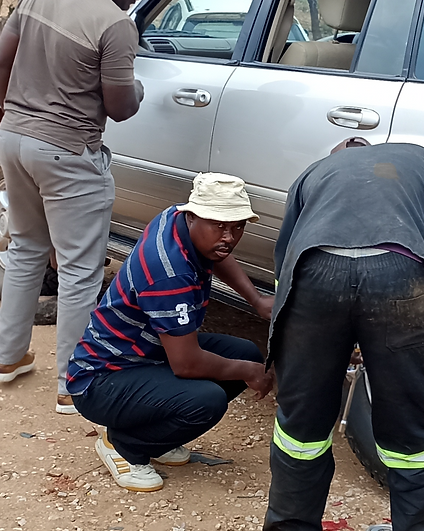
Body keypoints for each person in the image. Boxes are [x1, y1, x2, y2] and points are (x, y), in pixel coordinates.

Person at [0, 0, 150, 415]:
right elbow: (120, 107)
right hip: (67, 151)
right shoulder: (116, 25)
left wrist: (17, 115)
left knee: (26, 248)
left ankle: (8, 358)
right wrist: (137, 86)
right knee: (80, 268)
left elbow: (0, 61)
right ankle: (71, 382)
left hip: (14, 138)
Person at [264, 139, 424, 531]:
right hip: (401, 272)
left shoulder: (313, 173)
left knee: (300, 428)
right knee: (415, 436)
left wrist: (308, 337)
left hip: (314, 274)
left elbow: (284, 265)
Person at [67, 173, 275, 492]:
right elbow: (187, 365)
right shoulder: (169, 274)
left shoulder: (176, 218)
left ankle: (156, 437)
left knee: (243, 353)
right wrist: (250, 372)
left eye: (237, 226)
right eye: (219, 225)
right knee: (208, 399)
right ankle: (123, 444)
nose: (230, 237)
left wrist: (257, 300)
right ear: (193, 217)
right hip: (100, 378)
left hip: (144, 354)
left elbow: (217, 252)